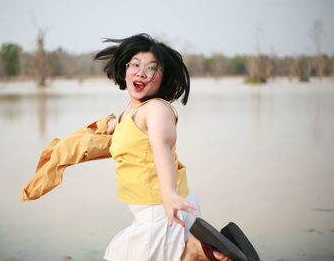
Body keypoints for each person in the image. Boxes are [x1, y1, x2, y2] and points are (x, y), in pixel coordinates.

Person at [94, 33, 232, 261]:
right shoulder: (130, 111)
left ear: (163, 77)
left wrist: (168, 193)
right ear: (124, 69)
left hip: (161, 208)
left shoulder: (157, 110)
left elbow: (161, 147)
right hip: (156, 208)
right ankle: (197, 252)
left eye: (152, 68)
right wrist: (110, 125)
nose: (141, 72)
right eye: (135, 65)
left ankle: (198, 251)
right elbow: (130, 133)